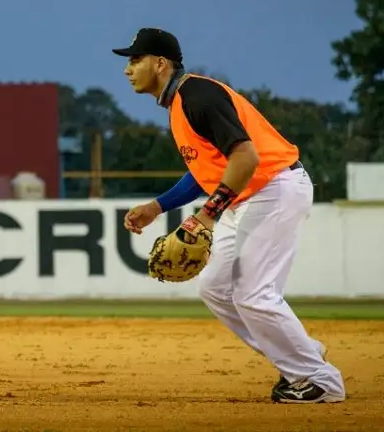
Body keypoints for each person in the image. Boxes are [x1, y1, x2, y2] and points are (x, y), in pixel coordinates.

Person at [113, 27, 346, 404]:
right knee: (217, 290)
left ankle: (321, 381)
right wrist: (159, 206)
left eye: (135, 59)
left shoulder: (198, 95)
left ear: (160, 63)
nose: (128, 69)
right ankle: (302, 356)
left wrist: (206, 216)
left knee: (254, 294)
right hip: (246, 196)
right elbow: (206, 168)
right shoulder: (178, 105)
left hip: (274, 187)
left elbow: (246, 158)